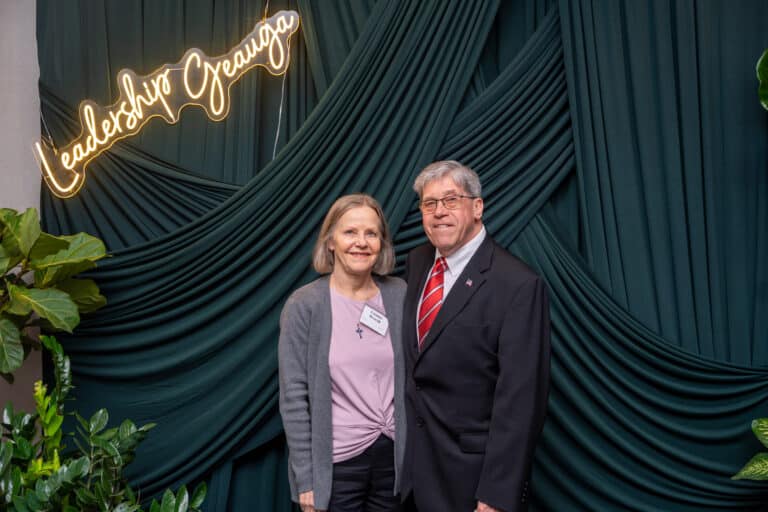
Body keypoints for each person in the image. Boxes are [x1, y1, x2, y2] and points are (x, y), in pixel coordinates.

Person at [400, 161, 551, 512]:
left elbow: (522, 401)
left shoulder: (518, 284)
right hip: (412, 476)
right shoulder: (417, 262)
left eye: (451, 200)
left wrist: (497, 496)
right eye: (429, 203)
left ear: (478, 207)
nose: (439, 212)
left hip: (471, 481)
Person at [279, 194, 406, 512]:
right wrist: (306, 480)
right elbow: (293, 397)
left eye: (371, 233)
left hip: (392, 462)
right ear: (331, 241)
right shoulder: (305, 304)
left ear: (381, 243)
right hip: (335, 467)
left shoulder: (399, 295)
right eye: (350, 232)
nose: (361, 242)